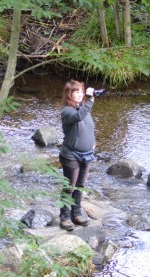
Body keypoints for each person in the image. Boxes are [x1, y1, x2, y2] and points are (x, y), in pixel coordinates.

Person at [58, 80, 96, 231]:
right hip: (71, 155)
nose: (80, 94)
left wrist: (93, 143)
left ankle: (77, 213)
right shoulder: (67, 111)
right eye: (76, 92)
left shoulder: (84, 110)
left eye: (81, 91)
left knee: (80, 186)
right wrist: (91, 100)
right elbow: (78, 117)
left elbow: (89, 128)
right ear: (69, 94)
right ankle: (64, 217)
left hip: (87, 154)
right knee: (70, 187)